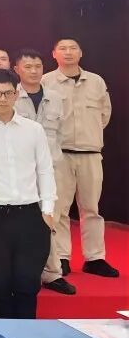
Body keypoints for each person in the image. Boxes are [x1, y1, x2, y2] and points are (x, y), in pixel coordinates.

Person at [0, 69, 57, 319]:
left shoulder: (33, 129)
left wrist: (48, 210)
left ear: (16, 93)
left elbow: (45, 169)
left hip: (30, 215)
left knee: (27, 285)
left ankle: (26, 337)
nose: (2, 98)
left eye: (8, 93)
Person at [42, 38, 117, 278]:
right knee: (59, 209)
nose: (68, 52)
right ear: (54, 54)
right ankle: (61, 257)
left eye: (73, 48)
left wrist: (89, 134)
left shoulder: (96, 81)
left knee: (91, 208)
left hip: (90, 153)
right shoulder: (46, 81)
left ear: (81, 53)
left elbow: (104, 114)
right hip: (60, 154)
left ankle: (95, 258)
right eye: (62, 48)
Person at [11, 49, 73, 296]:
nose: (34, 71)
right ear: (17, 69)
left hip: (51, 168)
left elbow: (62, 131)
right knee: (24, 223)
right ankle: (26, 273)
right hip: (20, 171)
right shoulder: (11, 96)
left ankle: (52, 273)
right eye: (27, 66)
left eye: (37, 66)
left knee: (51, 220)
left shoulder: (55, 97)